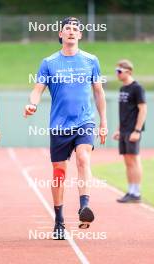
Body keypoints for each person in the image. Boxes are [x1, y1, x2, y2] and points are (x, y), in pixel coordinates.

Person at [24, 17, 107, 239]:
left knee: (83, 159)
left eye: (75, 29)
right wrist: (32, 103)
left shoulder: (91, 60)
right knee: (59, 173)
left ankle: (84, 206)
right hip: (59, 126)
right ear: (60, 34)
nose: (71, 32)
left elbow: (99, 92)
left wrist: (104, 123)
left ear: (80, 35)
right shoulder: (49, 62)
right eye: (67, 29)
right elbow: (37, 89)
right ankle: (59, 221)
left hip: (85, 121)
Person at [113, 59, 147, 203]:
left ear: (128, 72)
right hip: (124, 130)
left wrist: (137, 130)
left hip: (133, 130)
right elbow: (123, 112)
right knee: (128, 161)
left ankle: (136, 192)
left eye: (119, 71)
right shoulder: (122, 89)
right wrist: (118, 129)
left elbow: (143, 109)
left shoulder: (137, 88)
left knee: (134, 159)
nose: (117, 74)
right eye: (116, 71)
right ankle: (130, 191)